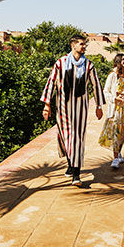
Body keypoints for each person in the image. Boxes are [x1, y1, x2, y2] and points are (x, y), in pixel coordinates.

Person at [41, 35, 105, 186]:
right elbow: (51, 83)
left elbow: (96, 85)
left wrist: (98, 106)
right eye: (81, 44)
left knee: (76, 138)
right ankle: (71, 163)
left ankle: (76, 174)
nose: (84, 47)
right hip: (63, 107)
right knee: (65, 137)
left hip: (80, 108)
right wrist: (46, 105)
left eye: (84, 45)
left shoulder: (88, 65)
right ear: (73, 46)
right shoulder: (61, 63)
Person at [99, 53, 124, 169]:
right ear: (118, 61)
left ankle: (119, 153)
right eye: (123, 59)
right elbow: (106, 91)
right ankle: (115, 158)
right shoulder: (113, 75)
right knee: (116, 132)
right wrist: (114, 98)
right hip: (116, 108)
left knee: (122, 133)